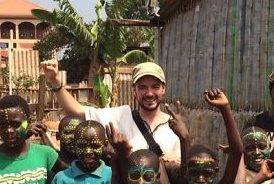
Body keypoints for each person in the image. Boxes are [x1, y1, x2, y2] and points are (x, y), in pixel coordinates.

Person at [41, 60, 185, 163]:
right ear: (134, 90)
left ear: (163, 89)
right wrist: (55, 80)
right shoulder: (121, 116)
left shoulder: (175, 126)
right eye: (142, 87)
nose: (149, 93)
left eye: (155, 86)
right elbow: (77, 112)